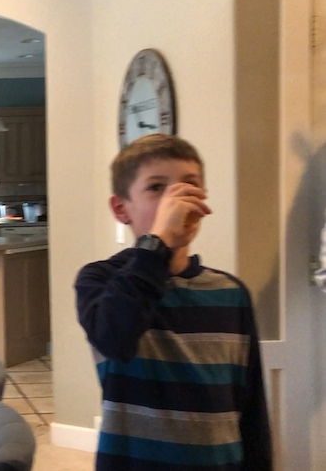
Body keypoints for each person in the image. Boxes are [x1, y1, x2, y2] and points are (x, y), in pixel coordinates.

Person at [74, 134, 272, 470]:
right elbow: (114, 338)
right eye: (156, 188)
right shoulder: (103, 280)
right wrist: (158, 242)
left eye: (188, 185)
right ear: (121, 209)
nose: (175, 200)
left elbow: (251, 408)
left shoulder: (231, 292)